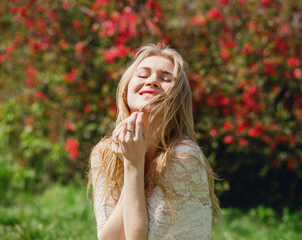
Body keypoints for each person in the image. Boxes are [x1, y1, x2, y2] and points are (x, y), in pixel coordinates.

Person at [88, 43, 221, 240]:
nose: (152, 81)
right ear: (125, 92)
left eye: (166, 78)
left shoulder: (183, 157)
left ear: (177, 100)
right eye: (142, 75)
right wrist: (131, 162)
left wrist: (133, 164)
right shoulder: (105, 153)